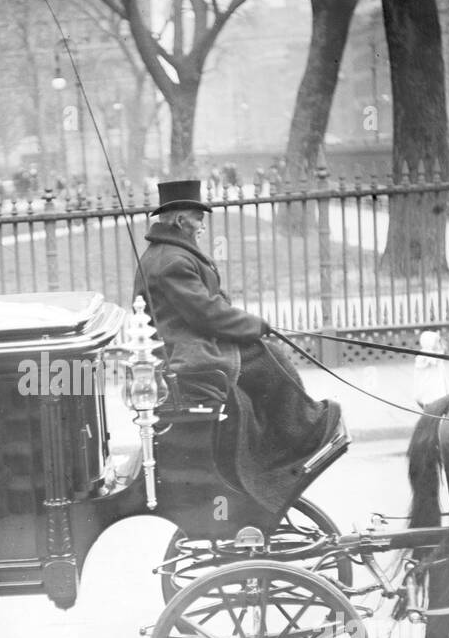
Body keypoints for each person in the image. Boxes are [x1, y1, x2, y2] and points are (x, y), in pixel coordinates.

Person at [133, 179, 341, 509]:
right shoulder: (172, 261)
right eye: (198, 218)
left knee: (266, 355)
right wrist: (255, 326)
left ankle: (281, 441)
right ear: (180, 220)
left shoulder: (170, 254)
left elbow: (208, 307)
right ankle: (296, 434)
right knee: (267, 359)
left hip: (190, 343)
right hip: (188, 352)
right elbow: (207, 314)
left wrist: (248, 325)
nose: (202, 226)